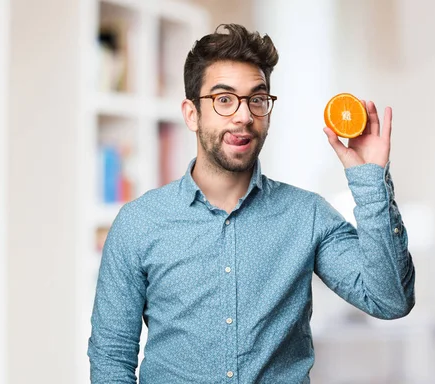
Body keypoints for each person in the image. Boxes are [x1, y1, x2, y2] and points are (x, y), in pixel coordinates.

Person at [88, 24, 415, 383]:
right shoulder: (139, 223)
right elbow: (111, 357)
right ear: (191, 113)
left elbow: (389, 301)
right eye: (224, 99)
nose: (243, 116)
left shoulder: (307, 215)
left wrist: (370, 179)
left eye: (256, 99)